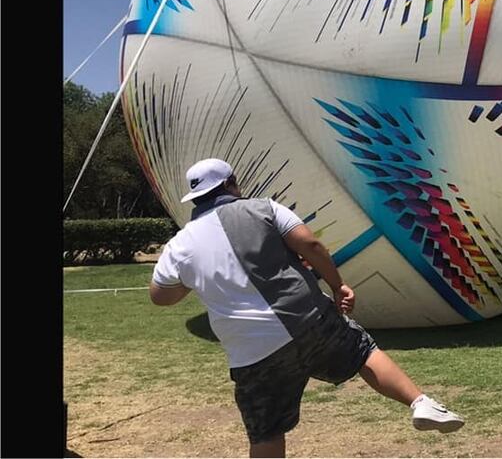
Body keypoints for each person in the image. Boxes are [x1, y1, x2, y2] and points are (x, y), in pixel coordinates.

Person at [150, 158, 464, 457]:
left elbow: (160, 296)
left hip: (252, 352)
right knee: (362, 351)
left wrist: (192, 280)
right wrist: (337, 285)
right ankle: (420, 402)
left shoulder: (180, 245)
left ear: (195, 197)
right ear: (232, 183)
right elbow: (310, 245)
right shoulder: (264, 208)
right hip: (306, 320)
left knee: (267, 432)